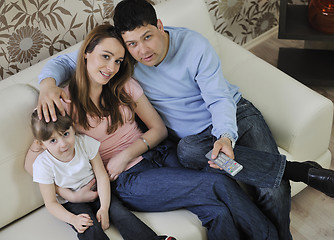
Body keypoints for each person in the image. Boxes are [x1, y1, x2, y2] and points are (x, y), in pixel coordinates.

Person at [35, 1, 334, 239]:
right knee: (193, 154)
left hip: (232, 116)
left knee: (272, 189)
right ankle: (295, 170)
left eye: (147, 37)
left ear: (160, 25)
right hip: (187, 146)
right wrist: (47, 82)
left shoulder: (191, 47)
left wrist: (225, 136)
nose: (141, 51)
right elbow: (75, 61)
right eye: (131, 45)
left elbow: (218, 98)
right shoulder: (119, 63)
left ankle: (293, 183)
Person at [25, 24, 280, 239]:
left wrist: (126, 154)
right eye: (105, 56)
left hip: (161, 152)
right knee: (219, 181)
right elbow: (33, 163)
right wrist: (67, 193)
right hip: (129, 180)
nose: (111, 67)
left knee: (219, 210)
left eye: (118, 60)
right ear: (86, 53)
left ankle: (282, 176)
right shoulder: (63, 103)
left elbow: (158, 129)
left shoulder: (123, 85)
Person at [29, 108, 172, 240]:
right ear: (41, 144)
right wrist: (72, 219)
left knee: (119, 212)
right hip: (71, 202)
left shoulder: (84, 143)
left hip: (97, 190)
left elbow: (101, 176)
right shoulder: (43, 165)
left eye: (66, 134)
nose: (63, 144)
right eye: (53, 141)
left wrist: (104, 207)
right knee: (88, 226)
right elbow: (51, 203)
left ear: (73, 128)